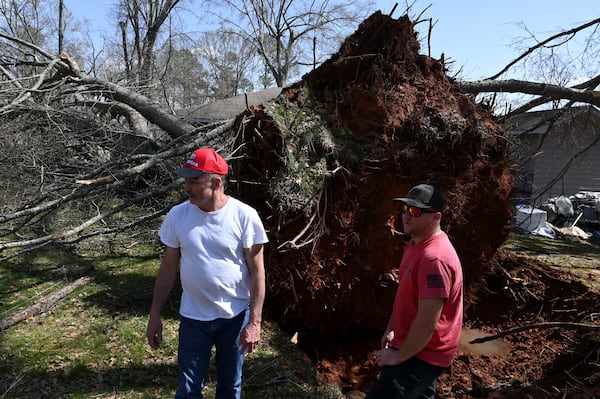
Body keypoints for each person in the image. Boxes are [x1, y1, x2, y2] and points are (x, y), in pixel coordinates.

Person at [146, 147, 268, 399]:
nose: (187, 187)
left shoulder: (244, 216)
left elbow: (257, 271)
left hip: (234, 317)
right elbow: (168, 267)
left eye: (193, 181)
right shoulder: (178, 215)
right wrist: (155, 314)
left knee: (229, 386)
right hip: (193, 317)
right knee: (188, 389)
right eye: (186, 181)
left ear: (216, 182)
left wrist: (254, 322)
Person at [366, 184, 463, 399]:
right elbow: (405, 295)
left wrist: (399, 356)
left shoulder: (434, 259)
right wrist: (392, 329)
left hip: (422, 355)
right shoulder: (414, 245)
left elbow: (428, 322)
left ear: (435, 217)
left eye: (415, 211)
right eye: (405, 209)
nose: (407, 216)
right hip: (413, 345)